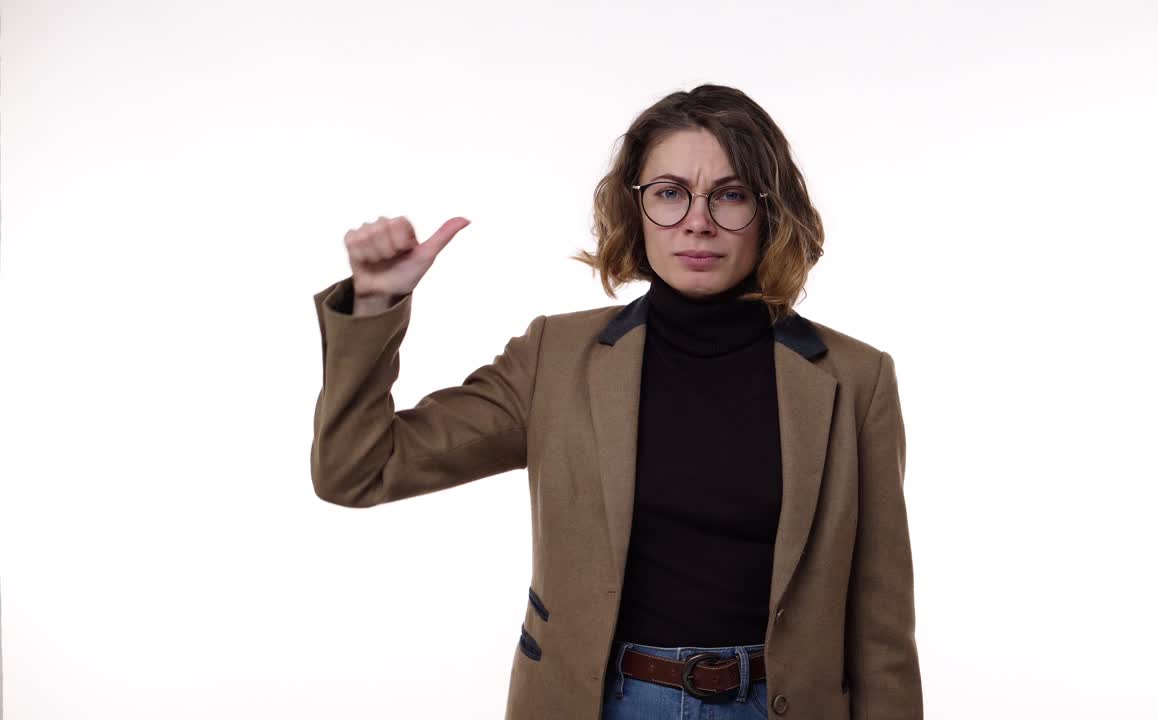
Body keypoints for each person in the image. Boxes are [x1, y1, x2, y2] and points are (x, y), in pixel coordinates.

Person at [310, 84, 922, 719]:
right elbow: (358, 470)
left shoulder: (855, 379)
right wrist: (374, 307)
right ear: (636, 208)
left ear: (771, 210)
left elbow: (882, 629)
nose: (698, 220)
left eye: (730, 194)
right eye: (669, 193)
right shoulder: (557, 357)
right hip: (604, 702)